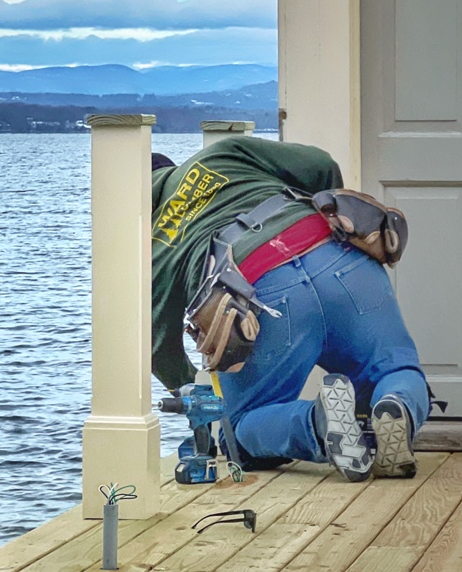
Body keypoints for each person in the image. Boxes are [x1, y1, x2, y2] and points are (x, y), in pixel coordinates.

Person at [150, 138, 430, 482]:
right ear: (171, 170)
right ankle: (396, 403)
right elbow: (320, 162)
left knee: (239, 430)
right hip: (342, 260)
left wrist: (199, 399)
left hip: (260, 293)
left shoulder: (154, 244)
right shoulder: (222, 155)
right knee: (392, 366)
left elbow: (159, 348)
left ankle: (318, 423)